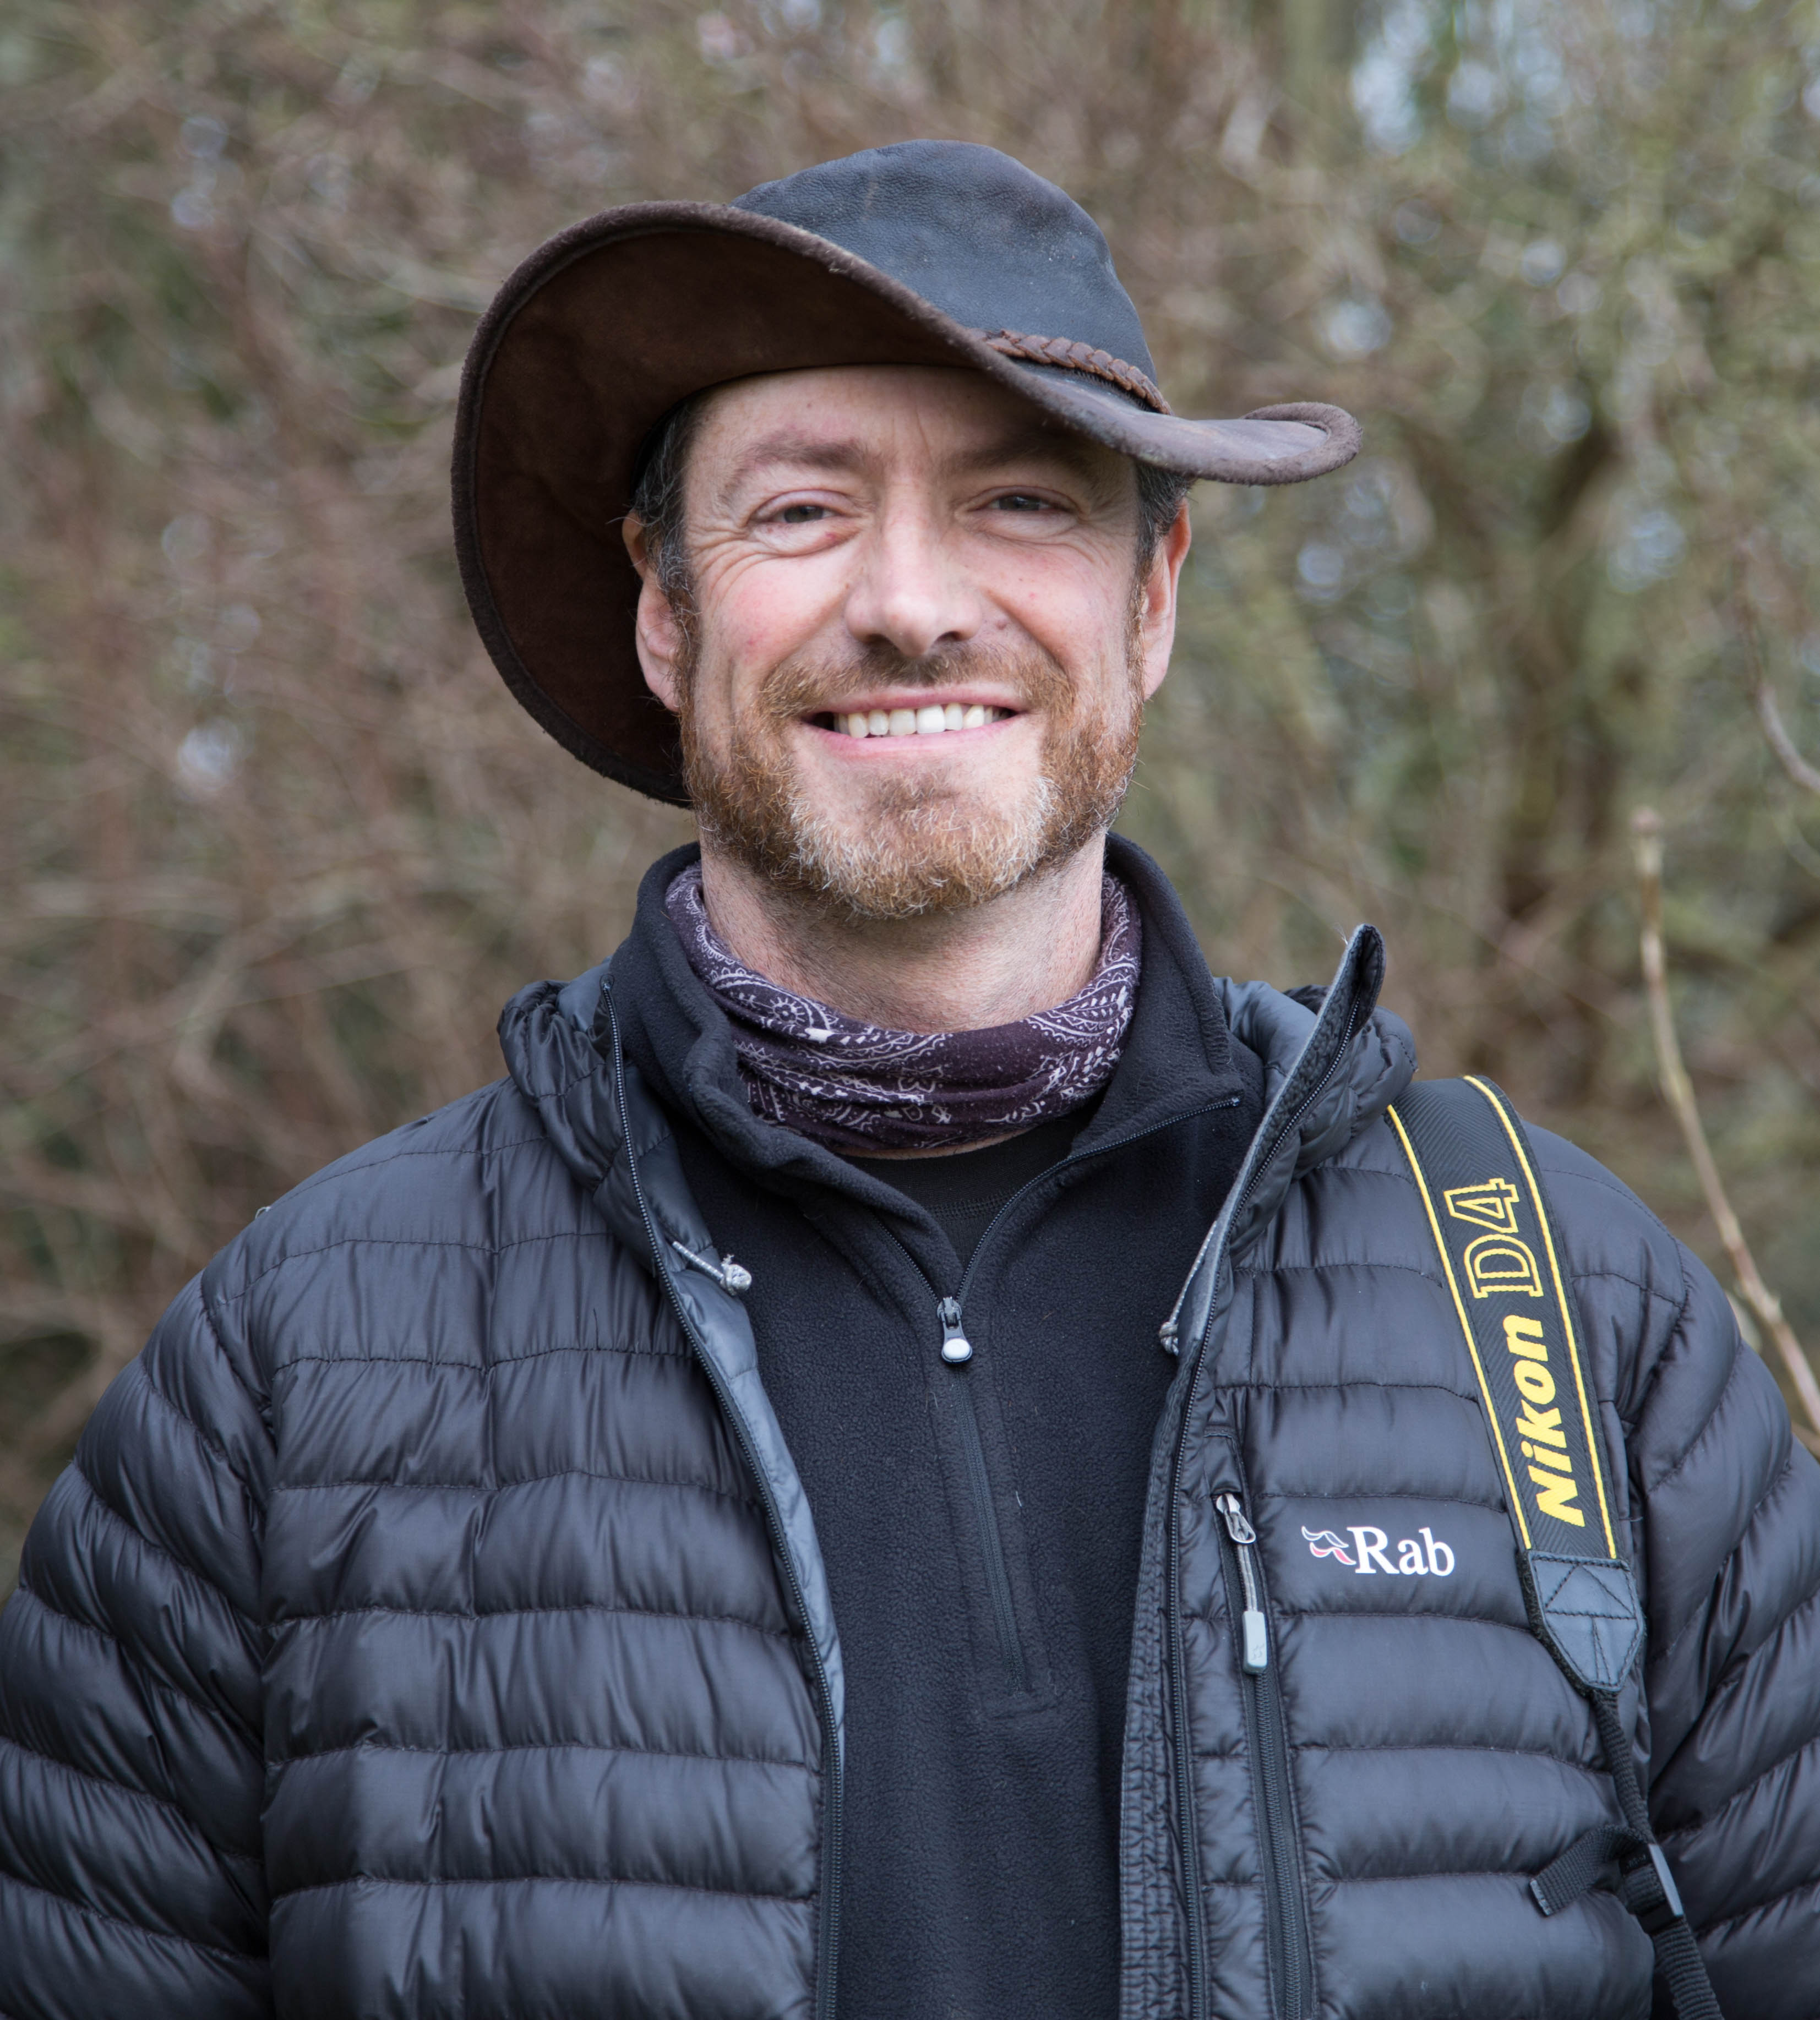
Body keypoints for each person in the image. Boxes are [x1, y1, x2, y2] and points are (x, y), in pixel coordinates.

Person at [0, 139, 1812, 2020]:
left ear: (1153, 601)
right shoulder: (295, 1364)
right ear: (663, 609)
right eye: (800, 513)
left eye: (1018, 500)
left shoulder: (1558, 1314)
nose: (912, 602)